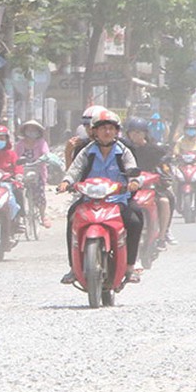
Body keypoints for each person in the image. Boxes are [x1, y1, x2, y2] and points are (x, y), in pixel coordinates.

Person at [58, 106, 143, 285]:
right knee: (72, 217)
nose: (107, 131)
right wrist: (66, 182)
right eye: (102, 128)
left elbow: (132, 170)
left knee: (135, 220)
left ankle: (129, 268)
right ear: (94, 131)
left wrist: (133, 182)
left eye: (111, 128)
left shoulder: (124, 151)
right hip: (89, 200)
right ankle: (74, 268)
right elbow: (75, 169)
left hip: (118, 200)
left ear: (116, 131)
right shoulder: (87, 151)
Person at [121, 117, 174, 250]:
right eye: (132, 132)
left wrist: (165, 170)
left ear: (145, 133)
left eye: (139, 132)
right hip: (127, 187)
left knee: (166, 201)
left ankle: (163, 235)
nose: (135, 135)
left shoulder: (154, 149)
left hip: (150, 186)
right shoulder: (123, 148)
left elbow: (165, 162)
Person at [14, 119, 52, 228]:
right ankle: (19, 218)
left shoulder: (41, 143)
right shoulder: (20, 144)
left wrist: (44, 158)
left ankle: (42, 215)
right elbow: (15, 157)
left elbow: (46, 153)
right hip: (22, 172)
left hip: (37, 171)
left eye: (34, 130)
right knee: (18, 192)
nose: (31, 132)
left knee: (39, 193)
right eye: (29, 130)